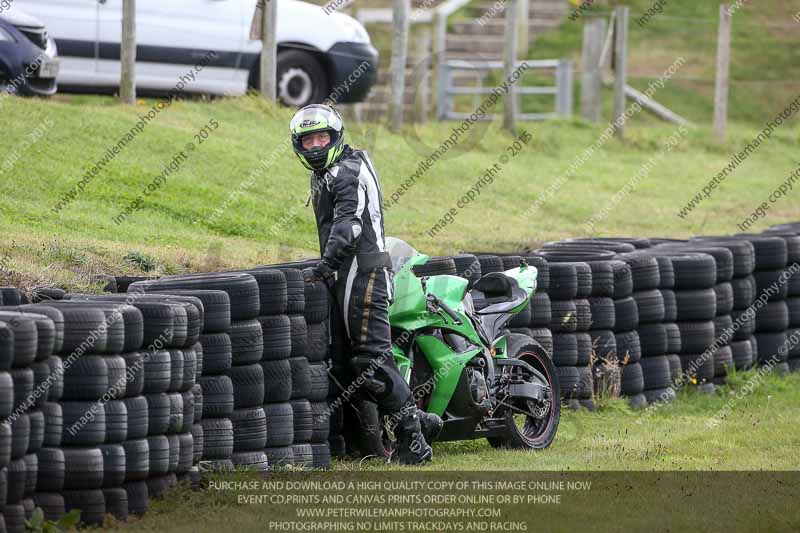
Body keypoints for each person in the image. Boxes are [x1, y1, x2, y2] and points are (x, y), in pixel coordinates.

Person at [289, 103, 442, 465]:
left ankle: (414, 441)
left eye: (321, 137)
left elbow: (349, 226)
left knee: (372, 361)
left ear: (336, 136)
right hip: (346, 277)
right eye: (307, 140)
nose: (315, 146)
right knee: (347, 366)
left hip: (365, 275)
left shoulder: (347, 171)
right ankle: (421, 421)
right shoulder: (327, 172)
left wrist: (325, 266)